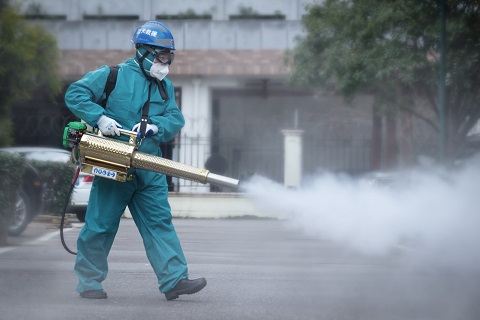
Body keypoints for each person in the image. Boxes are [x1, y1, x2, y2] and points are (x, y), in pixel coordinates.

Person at [64, 21, 206, 300]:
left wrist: (155, 126)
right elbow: (75, 94)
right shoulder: (111, 75)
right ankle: (89, 282)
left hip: (149, 166)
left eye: (169, 56)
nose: (165, 62)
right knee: (101, 224)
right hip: (113, 162)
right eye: (161, 55)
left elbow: (175, 118)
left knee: (159, 223)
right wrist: (100, 118)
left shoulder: (164, 85)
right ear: (142, 51)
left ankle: (174, 280)